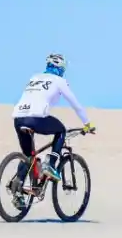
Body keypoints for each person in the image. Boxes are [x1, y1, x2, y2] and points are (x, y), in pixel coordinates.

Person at [11, 53, 94, 187]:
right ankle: (50, 165)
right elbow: (75, 104)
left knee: (28, 156)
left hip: (18, 118)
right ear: (61, 69)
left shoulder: (34, 77)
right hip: (36, 118)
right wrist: (87, 124)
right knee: (61, 130)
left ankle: (18, 185)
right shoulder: (59, 81)